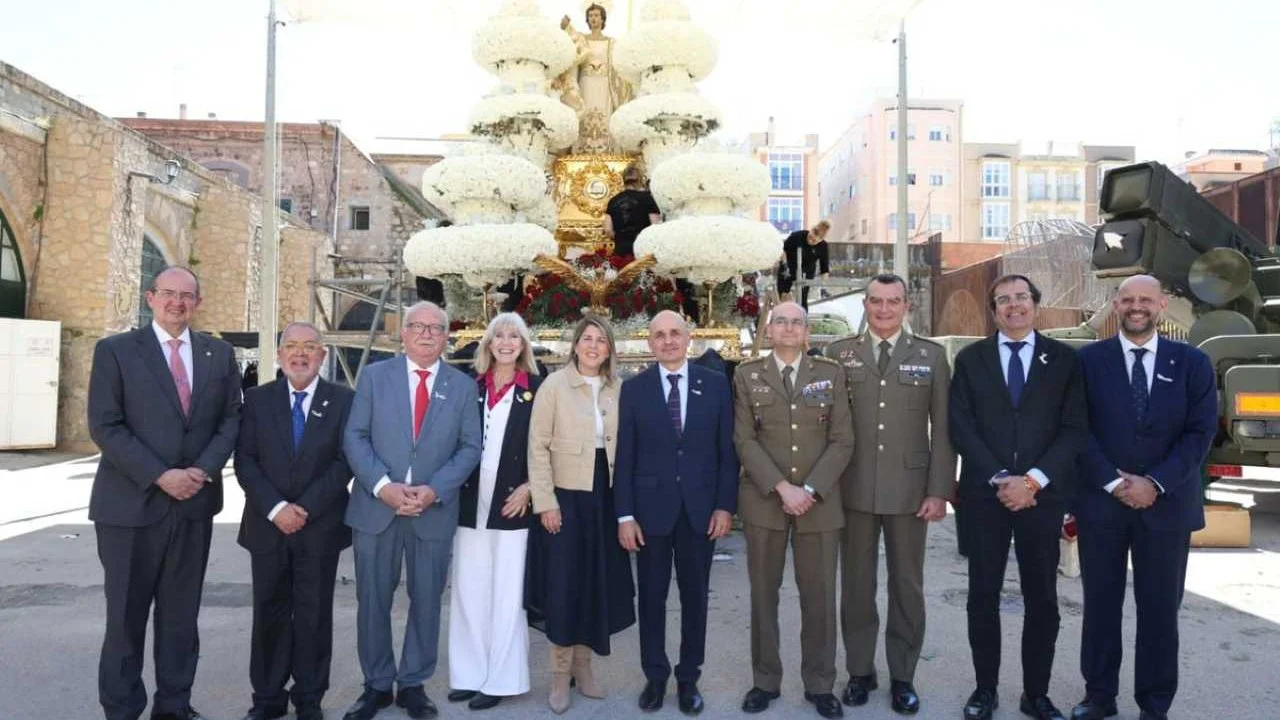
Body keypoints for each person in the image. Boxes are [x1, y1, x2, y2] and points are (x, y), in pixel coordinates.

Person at [87, 266, 242, 720]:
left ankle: (174, 706)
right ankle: (121, 709)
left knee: (180, 618)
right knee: (125, 619)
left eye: (187, 295)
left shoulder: (220, 354)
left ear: (198, 301)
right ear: (150, 297)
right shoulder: (116, 351)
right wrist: (160, 475)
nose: (178, 303)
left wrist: (201, 470)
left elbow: (231, 417)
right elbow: (105, 425)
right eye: (169, 294)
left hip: (193, 505)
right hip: (129, 507)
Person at [1072, 275, 1216, 720]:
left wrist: (1154, 483)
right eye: (1128, 299)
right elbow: (1078, 429)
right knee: (1100, 606)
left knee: (1158, 612)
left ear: (1162, 305)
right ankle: (1099, 696)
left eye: (1146, 300)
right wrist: (1114, 483)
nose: (1137, 307)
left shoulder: (1192, 363)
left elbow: (1200, 433)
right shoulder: (1088, 361)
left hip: (1167, 506)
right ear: (1116, 304)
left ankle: (1154, 705)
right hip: (1102, 503)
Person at [949, 274, 1088, 720]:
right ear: (993, 310)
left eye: (1021, 298)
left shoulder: (1065, 361)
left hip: (1041, 498)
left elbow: (1074, 430)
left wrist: (1031, 481)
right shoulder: (971, 359)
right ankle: (985, 690)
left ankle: (1036, 693)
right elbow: (961, 427)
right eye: (1003, 300)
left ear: (1035, 304)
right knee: (983, 595)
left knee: (1042, 598)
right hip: (984, 497)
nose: (1013, 306)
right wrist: (999, 478)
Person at [341, 301, 483, 720]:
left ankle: (414, 683)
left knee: (426, 600)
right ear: (402, 334)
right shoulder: (373, 377)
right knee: (372, 600)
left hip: (432, 511)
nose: (425, 334)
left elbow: (469, 446)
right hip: (376, 508)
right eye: (417, 326)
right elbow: (355, 436)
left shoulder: (462, 387)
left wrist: (434, 489)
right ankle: (377, 685)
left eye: (435, 328)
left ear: (446, 338)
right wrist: (383, 487)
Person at [823, 274, 955, 715]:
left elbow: (944, 432)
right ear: (865, 304)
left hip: (910, 492)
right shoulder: (838, 355)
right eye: (876, 302)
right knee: (857, 587)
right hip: (853, 488)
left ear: (906, 307)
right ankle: (861, 672)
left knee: (907, 587)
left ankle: (903, 675)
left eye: (892, 302)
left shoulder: (931, 357)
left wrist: (939, 490)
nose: (884, 310)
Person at [614, 311, 739, 715]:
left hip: (700, 512)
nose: (667, 341)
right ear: (649, 343)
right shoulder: (634, 390)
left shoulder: (717, 385)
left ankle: (689, 679)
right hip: (650, 515)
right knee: (651, 599)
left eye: (675, 334)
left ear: (689, 338)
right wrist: (625, 516)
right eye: (659, 335)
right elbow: (625, 458)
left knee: (695, 599)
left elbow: (727, 453)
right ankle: (655, 676)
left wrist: (724, 506)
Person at [734, 301, 855, 719]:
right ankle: (765, 680)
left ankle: (820, 683)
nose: (788, 328)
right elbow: (744, 440)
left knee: (820, 596)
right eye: (780, 321)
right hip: (765, 499)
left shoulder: (831, 374)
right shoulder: (746, 376)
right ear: (768, 331)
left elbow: (843, 440)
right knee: (763, 596)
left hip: (818, 502)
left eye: (796, 322)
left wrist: (810, 489)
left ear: (807, 332)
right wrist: (784, 488)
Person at [234, 322, 355, 720]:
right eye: (291, 346)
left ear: (322, 354)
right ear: (280, 353)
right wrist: (276, 509)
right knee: (268, 610)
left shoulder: (343, 401)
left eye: (309, 346)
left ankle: (309, 698)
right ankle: (267, 698)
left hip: (319, 526)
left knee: (313, 612)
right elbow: (246, 461)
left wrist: (304, 508)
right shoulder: (255, 399)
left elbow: (344, 462)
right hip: (267, 526)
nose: (300, 354)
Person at [525, 315, 636, 714]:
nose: (593, 346)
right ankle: (559, 676)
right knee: (564, 586)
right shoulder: (553, 386)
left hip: (604, 499)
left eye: (601, 341)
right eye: (586, 338)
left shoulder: (618, 389)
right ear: (575, 345)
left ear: (610, 349)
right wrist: (546, 502)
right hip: (566, 498)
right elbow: (536, 447)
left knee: (596, 584)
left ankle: (585, 669)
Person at [446, 313, 544, 712]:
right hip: (470, 502)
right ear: (487, 345)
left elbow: (548, 446)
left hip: (512, 503)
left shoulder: (537, 390)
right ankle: (469, 674)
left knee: (507, 594)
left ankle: (503, 678)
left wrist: (531, 488)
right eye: (498, 336)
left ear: (523, 346)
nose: (505, 342)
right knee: (469, 591)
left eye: (514, 336)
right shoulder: (471, 389)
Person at [557, 4, 633, 154]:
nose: (594, 18)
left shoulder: (612, 43)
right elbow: (572, 43)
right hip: (586, 84)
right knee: (584, 113)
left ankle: (606, 153)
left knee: (605, 115)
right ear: (587, 18)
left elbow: (620, 64)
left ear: (603, 18)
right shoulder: (582, 39)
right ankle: (582, 152)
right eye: (591, 15)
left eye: (597, 15)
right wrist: (567, 27)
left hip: (605, 86)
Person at [603, 165, 662, 259]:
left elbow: (607, 229)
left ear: (623, 180)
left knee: (624, 273)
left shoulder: (613, 200)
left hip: (620, 250)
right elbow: (655, 225)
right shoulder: (647, 198)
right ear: (639, 180)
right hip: (642, 248)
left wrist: (620, 237)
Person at [780, 220, 832, 310]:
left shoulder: (823, 246)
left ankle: (802, 320)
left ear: (821, 240)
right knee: (784, 295)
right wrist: (785, 265)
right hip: (788, 266)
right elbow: (783, 250)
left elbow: (824, 268)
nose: (811, 241)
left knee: (802, 299)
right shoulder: (796, 236)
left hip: (807, 271)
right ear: (811, 230)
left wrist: (824, 286)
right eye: (811, 238)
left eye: (815, 241)